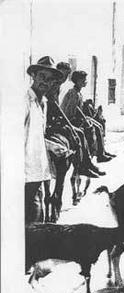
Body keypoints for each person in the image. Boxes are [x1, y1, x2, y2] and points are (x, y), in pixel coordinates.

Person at [46, 63, 103, 177]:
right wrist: (66, 123)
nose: (63, 78)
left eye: (66, 75)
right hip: (49, 123)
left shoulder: (60, 87)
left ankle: (90, 160)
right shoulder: (54, 86)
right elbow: (57, 107)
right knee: (79, 134)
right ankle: (82, 166)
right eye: (61, 74)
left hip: (57, 119)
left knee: (87, 129)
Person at [25, 56, 63, 225]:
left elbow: (37, 136)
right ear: (33, 75)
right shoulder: (24, 101)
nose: (45, 82)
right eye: (42, 76)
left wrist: (52, 146)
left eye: (50, 80)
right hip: (23, 176)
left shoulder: (44, 103)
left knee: (36, 221)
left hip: (38, 173)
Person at [61, 71, 112, 163]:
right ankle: (95, 155)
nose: (85, 81)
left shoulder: (78, 92)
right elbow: (71, 112)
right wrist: (84, 119)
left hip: (76, 118)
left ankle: (101, 152)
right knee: (93, 127)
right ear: (77, 81)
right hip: (70, 120)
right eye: (83, 80)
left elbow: (78, 108)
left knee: (99, 125)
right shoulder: (73, 93)